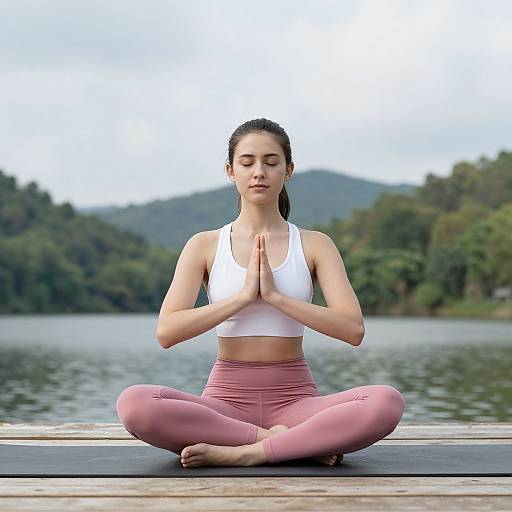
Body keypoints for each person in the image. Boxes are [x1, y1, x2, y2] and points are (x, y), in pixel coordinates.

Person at [116, 118, 405, 468]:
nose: (259, 172)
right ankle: (279, 443)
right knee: (135, 404)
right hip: (224, 405)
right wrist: (240, 299)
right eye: (247, 162)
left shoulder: (315, 245)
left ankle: (245, 453)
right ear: (230, 171)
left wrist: (276, 297)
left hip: (297, 401)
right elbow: (167, 332)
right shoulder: (204, 245)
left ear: (288, 171)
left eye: (271, 162)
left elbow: (352, 329)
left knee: (386, 402)